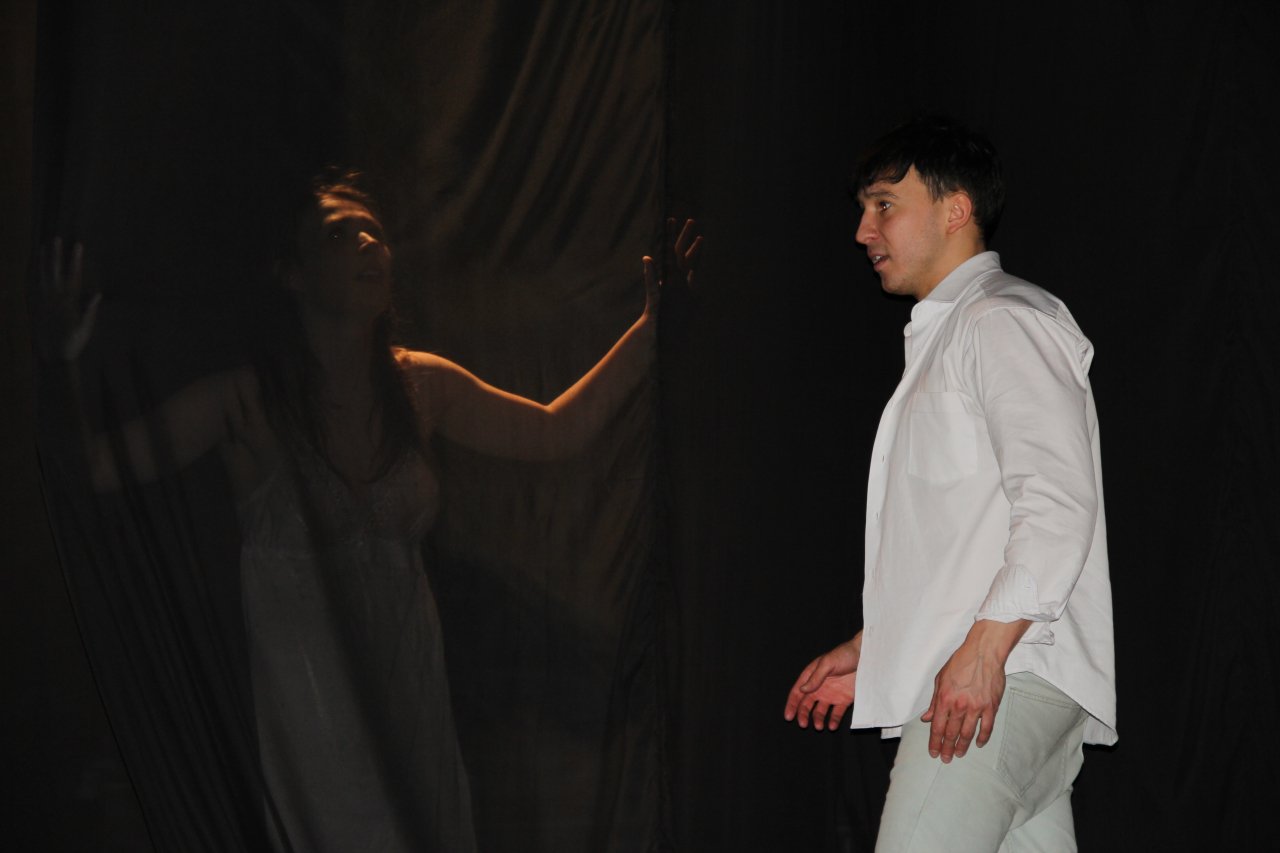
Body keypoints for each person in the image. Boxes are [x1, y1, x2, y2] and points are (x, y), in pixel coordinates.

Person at [42, 168, 701, 852]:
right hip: (311, 730)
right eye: (340, 234)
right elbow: (94, 470)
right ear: (293, 273)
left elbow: (555, 430)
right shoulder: (249, 400)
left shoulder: (420, 384)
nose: (368, 244)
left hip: (410, 716)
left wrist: (648, 330)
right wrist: (58, 362)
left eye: (374, 233)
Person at [783, 117, 1115, 851]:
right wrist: (878, 643)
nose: (863, 232)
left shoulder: (999, 320)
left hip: (1009, 673)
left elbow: (1058, 501)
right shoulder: (960, 330)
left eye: (884, 205)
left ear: (956, 209)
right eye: (864, 209)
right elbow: (961, 541)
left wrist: (986, 652)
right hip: (1013, 675)